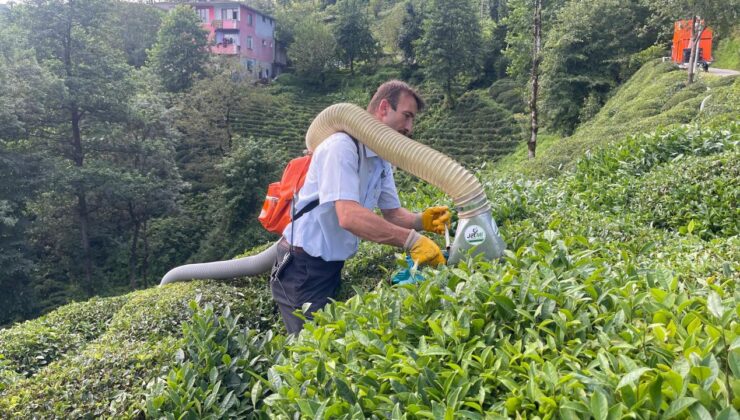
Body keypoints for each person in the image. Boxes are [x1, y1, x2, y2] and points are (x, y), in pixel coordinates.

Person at [270, 80, 450, 335]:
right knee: (313, 355)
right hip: (302, 270)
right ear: (384, 108)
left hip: (330, 266)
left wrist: (424, 221)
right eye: (407, 116)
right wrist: (412, 241)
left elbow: (393, 213)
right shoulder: (340, 147)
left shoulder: (381, 156)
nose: (410, 127)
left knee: (332, 344)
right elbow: (349, 216)